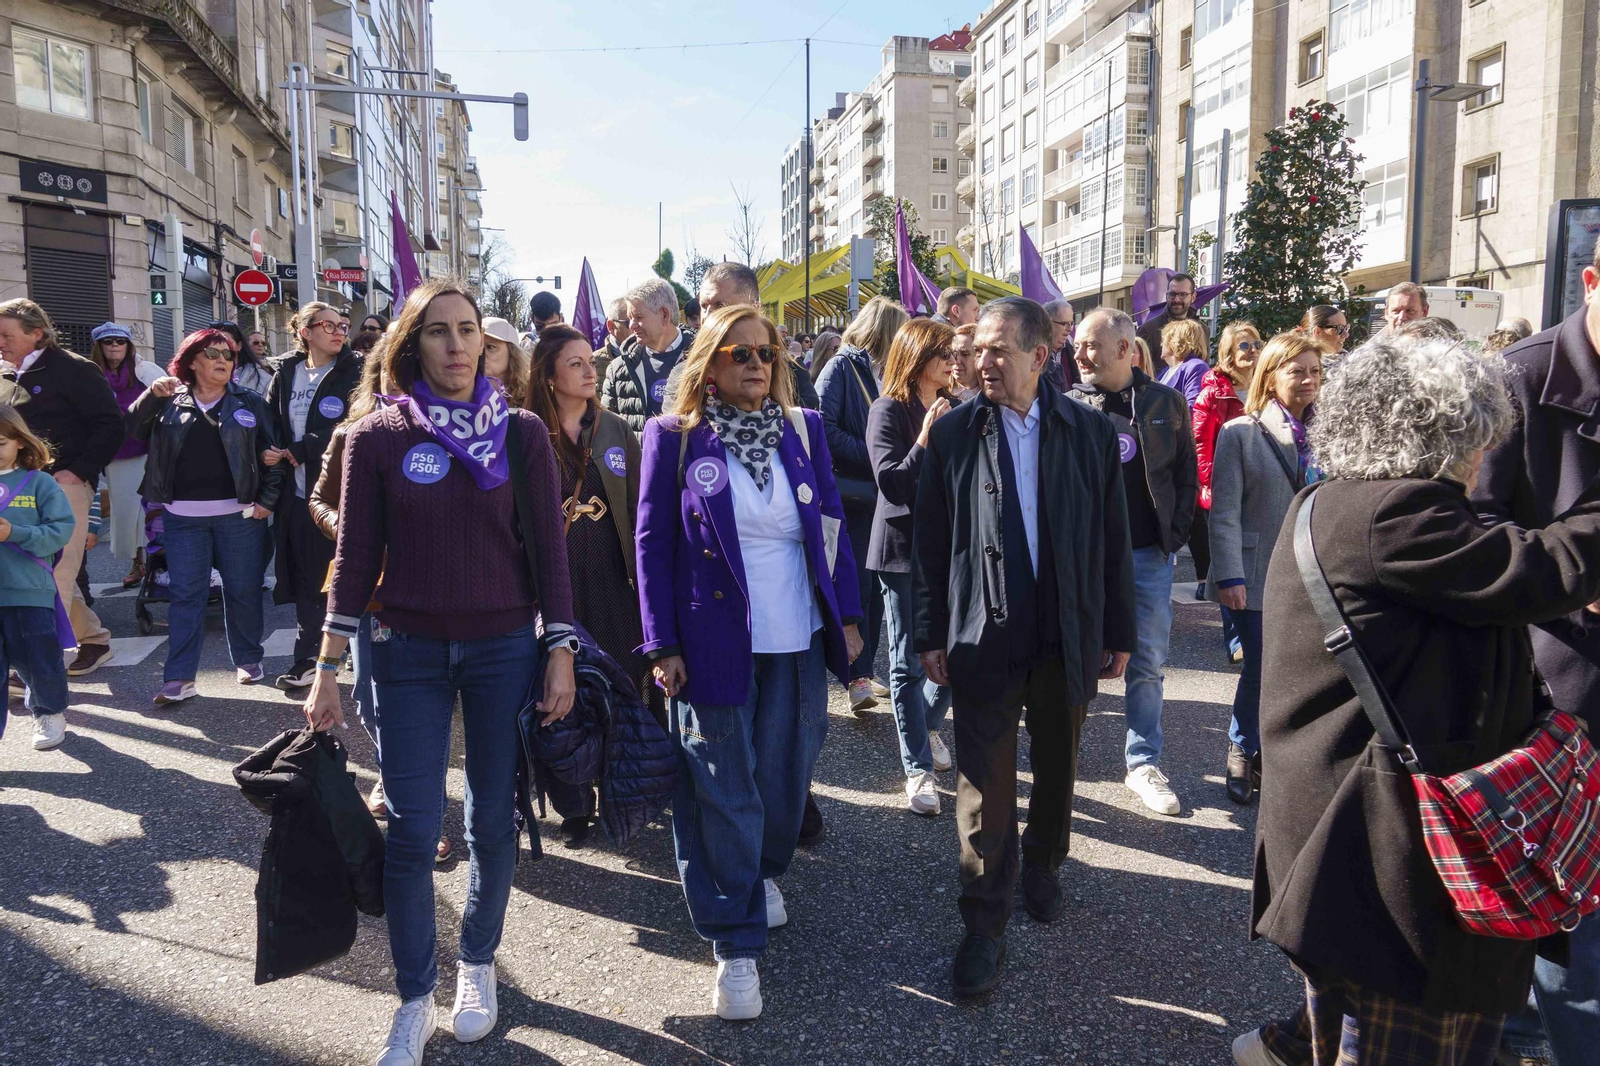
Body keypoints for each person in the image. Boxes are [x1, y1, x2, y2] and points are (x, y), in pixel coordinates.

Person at [1235, 334, 1600, 1066]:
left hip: (1350, 831)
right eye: (1477, 442)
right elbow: (1536, 570)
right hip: (1377, 849)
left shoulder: (1341, 502)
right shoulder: (1396, 517)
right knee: (1403, 1025)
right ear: (1444, 434)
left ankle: (1282, 1048)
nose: (1480, 461)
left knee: (1362, 1014)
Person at [304, 278, 577, 1065]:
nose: (457, 346)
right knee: (415, 828)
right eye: (438, 332)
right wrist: (327, 668)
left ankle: (478, 964)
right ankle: (414, 996)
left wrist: (558, 645)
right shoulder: (376, 436)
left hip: (503, 651)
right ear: (409, 345)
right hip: (403, 652)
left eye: (467, 331)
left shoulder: (522, 432)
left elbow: (549, 553)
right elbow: (353, 561)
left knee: (494, 819)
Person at [634, 303, 863, 1021]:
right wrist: (661, 643)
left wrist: (849, 620)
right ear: (709, 362)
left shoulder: (805, 430)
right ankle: (735, 945)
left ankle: (759, 870)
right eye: (739, 353)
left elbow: (830, 529)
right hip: (711, 644)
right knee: (721, 787)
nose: (758, 365)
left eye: (768, 354)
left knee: (784, 779)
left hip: (795, 637)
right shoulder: (672, 438)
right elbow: (652, 546)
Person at [913, 296, 1134, 998]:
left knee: (1060, 761)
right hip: (983, 634)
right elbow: (926, 546)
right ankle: (984, 921)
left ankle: (1044, 862)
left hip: (1065, 628)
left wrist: (1118, 631)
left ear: (1041, 357)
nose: (983, 361)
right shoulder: (951, 435)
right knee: (984, 781)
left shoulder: (1089, 433)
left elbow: (1113, 540)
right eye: (977, 347)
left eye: (999, 349)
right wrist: (928, 632)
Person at [1473, 246, 1600, 1066]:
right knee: (1576, 939)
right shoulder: (1519, 380)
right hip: (1556, 707)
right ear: (1591, 282)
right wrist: (1570, 577)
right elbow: (1463, 537)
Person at [526, 323, 650, 847]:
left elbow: (643, 508)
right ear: (550, 378)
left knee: (620, 687)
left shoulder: (618, 430)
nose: (589, 370)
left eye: (589, 361)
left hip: (614, 582)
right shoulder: (526, 432)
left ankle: (618, 789)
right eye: (574, 364)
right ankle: (574, 804)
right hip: (554, 586)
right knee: (561, 697)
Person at [1069, 308, 1197, 816]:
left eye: (1090, 345)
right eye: (1076, 345)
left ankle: (1143, 763)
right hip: (1083, 558)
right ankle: (1063, 758)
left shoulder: (1166, 402)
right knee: (1074, 656)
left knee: (1146, 663)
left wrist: (1175, 533)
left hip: (1147, 556)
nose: (1078, 355)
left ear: (1125, 349)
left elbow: (1185, 473)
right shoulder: (1066, 406)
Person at [127, 328, 282, 705]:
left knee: (243, 590)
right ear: (192, 360)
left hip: (239, 516)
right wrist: (150, 396)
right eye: (213, 354)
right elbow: (131, 430)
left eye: (229, 356)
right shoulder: (168, 399)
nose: (223, 362)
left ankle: (248, 658)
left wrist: (268, 500)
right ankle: (179, 677)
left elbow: (273, 454)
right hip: (182, 518)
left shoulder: (249, 402)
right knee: (186, 596)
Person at [1207, 333, 1322, 805]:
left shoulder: (1335, 431)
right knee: (1260, 666)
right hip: (1257, 573)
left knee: (1307, 670)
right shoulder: (1240, 433)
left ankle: (1282, 756)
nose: (1309, 380)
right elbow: (1225, 512)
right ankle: (1242, 746)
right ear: (1271, 376)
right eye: (1297, 371)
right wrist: (1229, 576)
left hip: (1316, 572)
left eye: (1315, 370)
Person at [0, 298, 122, 676]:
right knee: (31, 570)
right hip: (11, 485)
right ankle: (94, 639)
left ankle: (36, 669)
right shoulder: (3, 375)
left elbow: (110, 425)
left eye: (6, 334)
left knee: (56, 573)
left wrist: (78, 472)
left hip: (61, 483)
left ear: (36, 334)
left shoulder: (75, 369)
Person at [865, 318, 956, 816]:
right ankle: (917, 769)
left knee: (955, 654)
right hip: (900, 552)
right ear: (917, 356)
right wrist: (923, 438)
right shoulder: (887, 410)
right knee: (905, 663)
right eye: (942, 352)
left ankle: (922, 722)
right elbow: (894, 486)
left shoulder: (957, 406)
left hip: (948, 551)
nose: (951, 360)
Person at [265, 301, 363, 693]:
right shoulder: (287, 371)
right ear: (305, 332)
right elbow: (270, 419)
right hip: (300, 493)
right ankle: (309, 659)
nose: (339, 331)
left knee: (350, 576)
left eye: (343, 325)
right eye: (329, 325)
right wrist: (272, 448)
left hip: (343, 495)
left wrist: (307, 446)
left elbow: (358, 422)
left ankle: (357, 654)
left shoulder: (354, 370)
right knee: (308, 581)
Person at [817, 295, 907, 711]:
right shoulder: (841, 367)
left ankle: (864, 673)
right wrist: (875, 452)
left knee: (874, 596)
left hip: (879, 498)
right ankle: (855, 678)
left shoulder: (888, 373)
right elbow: (824, 429)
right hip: (852, 495)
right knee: (858, 590)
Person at [0, 407, 76, 750]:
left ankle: (49, 711)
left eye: (0, 442)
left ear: (19, 442)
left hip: (29, 591)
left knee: (39, 662)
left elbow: (60, 531)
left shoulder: (39, 482)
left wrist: (14, 532)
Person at [1192, 320, 1261, 659]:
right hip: (1226, 486)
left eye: (1256, 344)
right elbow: (1201, 445)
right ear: (1229, 355)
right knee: (1228, 556)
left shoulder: (1269, 388)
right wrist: (1209, 485)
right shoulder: (1213, 393)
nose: (1253, 351)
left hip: (1262, 484)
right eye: (1244, 346)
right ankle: (1236, 639)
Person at [88, 322, 163, 589]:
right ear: (100, 346)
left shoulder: (145, 370)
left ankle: (158, 562)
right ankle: (136, 562)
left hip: (149, 449)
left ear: (129, 345)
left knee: (152, 509)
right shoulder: (90, 374)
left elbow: (169, 401)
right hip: (115, 454)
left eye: (120, 341)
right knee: (125, 511)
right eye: (108, 342)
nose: (115, 346)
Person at [696, 262, 818, 409]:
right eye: (704, 306)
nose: (708, 315)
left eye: (720, 306)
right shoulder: (687, 373)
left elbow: (809, 415)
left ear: (754, 308)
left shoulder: (793, 372)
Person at [602, 278, 691, 434]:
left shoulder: (704, 361)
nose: (632, 325)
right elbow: (607, 431)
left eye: (638, 317)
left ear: (665, 314)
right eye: (630, 319)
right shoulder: (619, 368)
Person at [1137, 272, 1208, 357]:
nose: (1177, 299)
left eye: (1183, 294)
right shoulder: (1148, 329)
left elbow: (1205, 366)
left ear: (1193, 297)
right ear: (1166, 295)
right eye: (1172, 294)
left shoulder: (1203, 330)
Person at [480, 317, 532, 409]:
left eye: (490, 347)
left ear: (512, 354)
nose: (481, 353)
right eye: (477, 347)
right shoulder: (463, 394)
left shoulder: (530, 397)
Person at [1157, 318, 1210, 405]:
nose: (1161, 344)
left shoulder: (1196, 367)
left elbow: (1193, 406)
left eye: (1163, 340)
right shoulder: (1165, 371)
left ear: (1175, 341)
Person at [1041, 298, 1079, 391]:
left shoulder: (1075, 354)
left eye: (1071, 323)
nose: (1069, 329)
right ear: (1048, 323)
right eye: (1065, 323)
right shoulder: (1032, 354)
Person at [594, 297, 631, 380]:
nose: (635, 326)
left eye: (638, 319)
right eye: (629, 322)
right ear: (611, 326)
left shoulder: (650, 358)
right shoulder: (593, 363)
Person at [949, 323, 979, 402]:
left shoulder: (991, 397)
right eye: (953, 353)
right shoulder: (939, 393)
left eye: (965, 354)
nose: (956, 361)